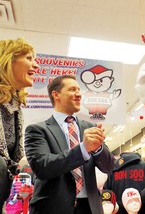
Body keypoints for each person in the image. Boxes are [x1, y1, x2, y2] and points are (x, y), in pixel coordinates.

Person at [24, 75, 115, 214]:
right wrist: (83, 149)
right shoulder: (37, 130)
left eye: (79, 90)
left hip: (90, 207)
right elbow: (42, 166)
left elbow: (109, 166)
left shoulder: (91, 128)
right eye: (72, 89)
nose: (79, 94)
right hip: (52, 207)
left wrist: (98, 149)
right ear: (56, 94)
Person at [0, 38, 39, 213]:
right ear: (9, 61)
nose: (36, 66)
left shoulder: (14, 106)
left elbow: (14, 161)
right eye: (29, 58)